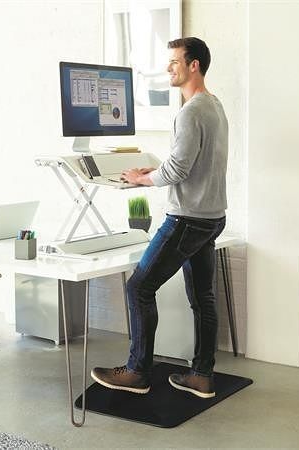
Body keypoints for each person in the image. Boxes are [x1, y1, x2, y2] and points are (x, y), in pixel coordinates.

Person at [91, 37, 228, 399]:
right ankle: (201, 376)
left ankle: (137, 372)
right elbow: (193, 161)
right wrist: (153, 170)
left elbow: (179, 169)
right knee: (203, 297)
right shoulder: (214, 106)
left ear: (194, 65)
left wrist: (141, 180)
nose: (168, 68)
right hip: (212, 216)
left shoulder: (191, 111)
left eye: (174, 62)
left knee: (139, 287)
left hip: (187, 219)